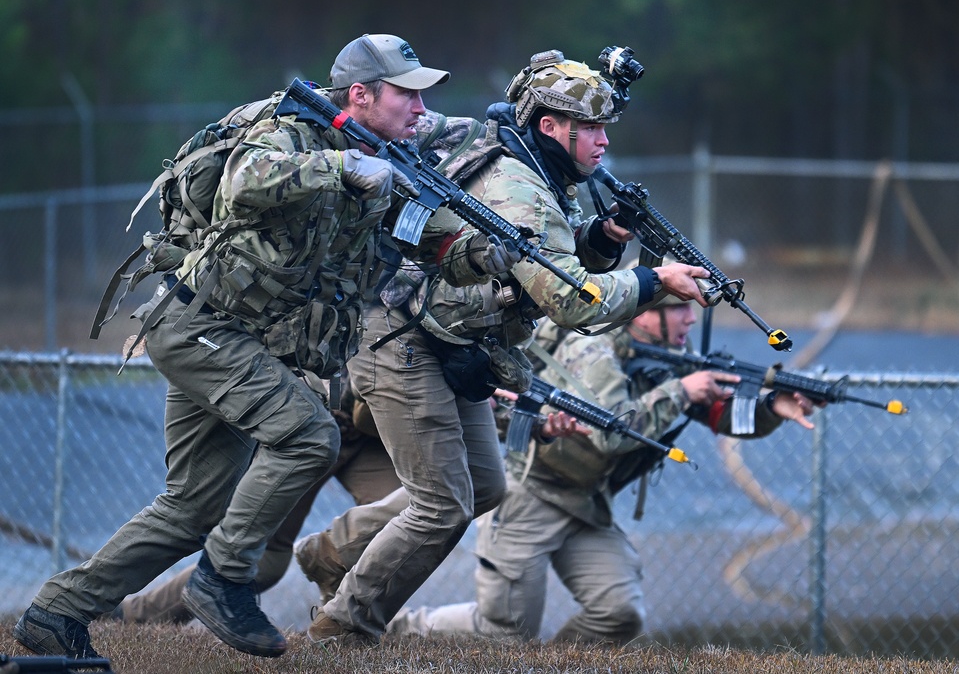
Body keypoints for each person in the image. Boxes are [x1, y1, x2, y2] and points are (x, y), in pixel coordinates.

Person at [12, 33, 513, 660]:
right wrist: (342, 168)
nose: (420, 109)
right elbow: (246, 182)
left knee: (192, 506)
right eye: (407, 95)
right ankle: (223, 580)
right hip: (199, 326)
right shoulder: (290, 131)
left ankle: (56, 613)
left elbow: (434, 244)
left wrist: (489, 255)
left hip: (236, 339)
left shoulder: (392, 162)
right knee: (308, 435)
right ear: (360, 95)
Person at [298, 48, 713, 647]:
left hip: (454, 340)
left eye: (604, 128)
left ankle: (330, 557)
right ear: (550, 127)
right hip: (400, 337)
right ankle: (344, 628)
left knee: (485, 488)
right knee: (441, 505)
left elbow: (553, 264)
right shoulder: (522, 189)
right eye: (590, 129)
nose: (602, 143)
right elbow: (574, 302)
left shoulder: (546, 173)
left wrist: (602, 235)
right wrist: (656, 282)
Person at [383, 291, 818, 644]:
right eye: (679, 307)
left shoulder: (667, 356)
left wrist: (770, 407)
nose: (690, 319)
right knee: (504, 632)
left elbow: (724, 418)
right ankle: (395, 630)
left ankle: (561, 666)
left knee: (619, 614)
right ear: (644, 313)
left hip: (586, 506)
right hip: (530, 495)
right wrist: (683, 392)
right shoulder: (592, 349)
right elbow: (613, 430)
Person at [109, 381, 400, 625]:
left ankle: (348, 623)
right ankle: (136, 615)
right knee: (264, 561)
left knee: (410, 524)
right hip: (311, 429)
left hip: (369, 437)